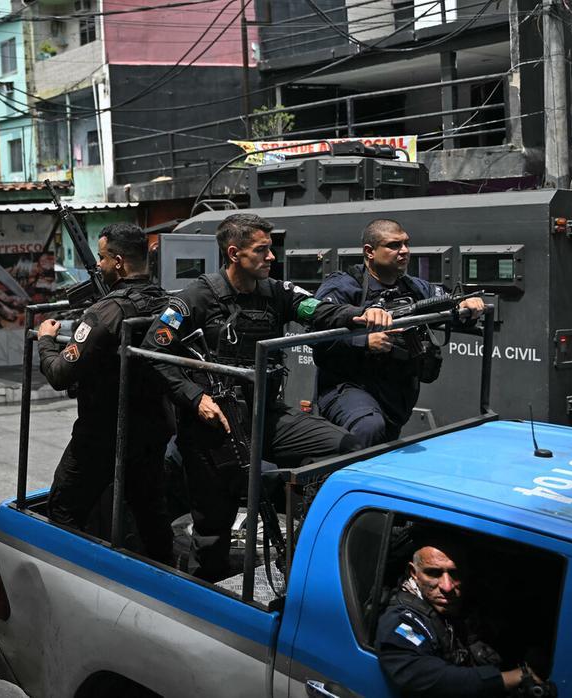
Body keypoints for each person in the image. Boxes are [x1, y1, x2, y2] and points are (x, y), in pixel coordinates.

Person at [141, 213, 391, 580]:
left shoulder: (276, 292)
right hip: (213, 428)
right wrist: (195, 398)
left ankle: (302, 543)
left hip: (265, 415)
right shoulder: (195, 298)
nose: (271, 257)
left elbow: (318, 310)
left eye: (270, 249)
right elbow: (152, 351)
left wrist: (360, 315)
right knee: (212, 535)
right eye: (262, 250)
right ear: (234, 253)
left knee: (347, 446)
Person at [37, 223, 174, 564]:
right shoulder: (170, 303)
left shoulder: (105, 312)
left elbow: (59, 373)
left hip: (102, 434)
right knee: (150, 515)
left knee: (63, 510)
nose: (98, 265)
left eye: (101, 258)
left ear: (118, 261)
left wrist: (44, 340)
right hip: (152, 429)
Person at [315, 219, 487, 447]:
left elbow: (447, 303)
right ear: (369, 252)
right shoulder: (344, 286)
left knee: (382, 445)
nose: (404, 251)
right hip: (348, 388)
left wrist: (467, 305)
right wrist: (364, 341)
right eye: (394, 245)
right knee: (369, 428)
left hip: (395, 394)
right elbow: (317, 331)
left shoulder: (413, 287)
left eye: (406, 244)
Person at [377, 537, 546, 697]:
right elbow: (418, 675)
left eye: (455, 573)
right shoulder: (401, 620)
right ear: (414, 573)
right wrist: (509, 678)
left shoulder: (472, 600)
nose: (447, 586)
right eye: (434, 573)